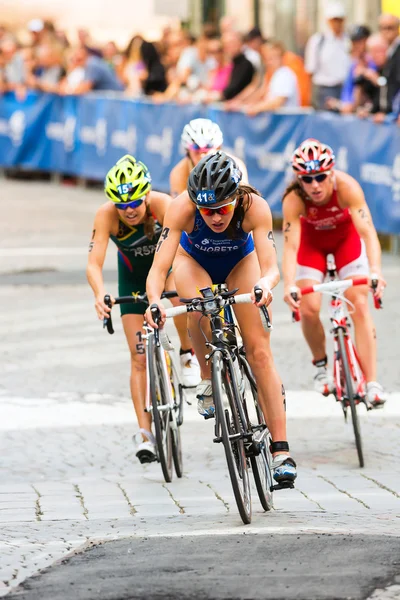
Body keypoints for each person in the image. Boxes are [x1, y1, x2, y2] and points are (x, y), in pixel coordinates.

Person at [145, 151, 297, 486]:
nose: (215, 218)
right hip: (193, 262)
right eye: (207, 211)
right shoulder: (181, 207)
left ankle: (281, 451)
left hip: (241, 263)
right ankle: (206, 377)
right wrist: (154, 301)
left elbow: (272, 267)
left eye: (222, 209)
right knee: (197, 307)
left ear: (237, 197)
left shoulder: (253, 206)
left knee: (259, 352)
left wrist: (264, 285)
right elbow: (159, 269)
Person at [86, 155, 200, 464]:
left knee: (179, 299)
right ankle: (145, 433)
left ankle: (188, 353)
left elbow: (186, 249)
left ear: (146, 193)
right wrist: (100, 294)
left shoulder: (163, 205)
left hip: (168, 269)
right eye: (121, 205)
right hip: (132, 279)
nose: (129, 210)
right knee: (138, 358)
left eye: (135, 201)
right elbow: (94, 263)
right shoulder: (106, 216)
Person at [281, 139, 386, 407]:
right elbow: (291, 247)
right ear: (299, 179)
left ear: (331, 174)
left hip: (345, 242)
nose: (314, 185)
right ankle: (320, 366)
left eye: (320, 177)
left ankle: (372, 382)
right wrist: (289, 284)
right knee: (308, 307)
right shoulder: (293, 199)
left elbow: (367, 233)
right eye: (307, 179)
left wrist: (375, 271)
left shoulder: (348, 187)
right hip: (312, 246)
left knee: (359, 303)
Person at [170, 118, 248, 198]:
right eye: (196, 149)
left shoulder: (235, 166)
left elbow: (244, 200)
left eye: (207, 149)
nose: (202, 155)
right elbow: (179, 207)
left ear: (218, 148)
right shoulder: (179, 172)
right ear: (188, 151)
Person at [304, 2, 350, 109]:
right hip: (324, 90)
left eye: (339, 20)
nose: (337, 23)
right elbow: (310, 70)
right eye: (334, 20)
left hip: (345, 89)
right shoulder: (318, 40)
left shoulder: (348, 40)